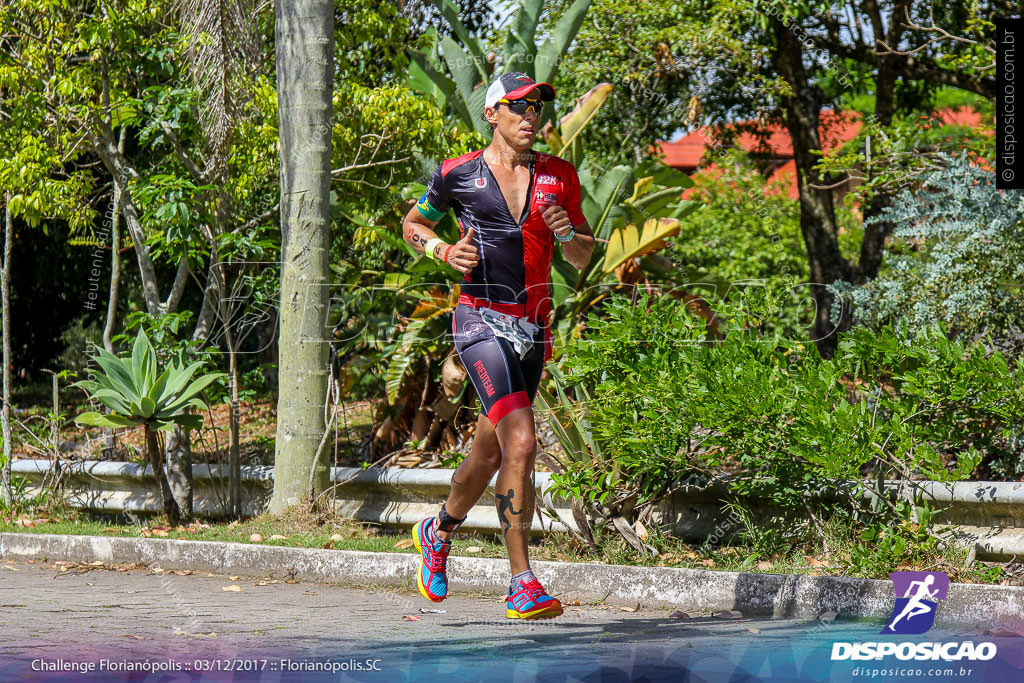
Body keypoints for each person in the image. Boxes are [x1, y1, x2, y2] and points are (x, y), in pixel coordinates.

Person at [401, 72, 595, 620]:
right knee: (524, 441)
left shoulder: (560, 176)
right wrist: (441, 251)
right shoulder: (458, 174)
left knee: (492, 450)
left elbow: (581, 259)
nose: (530, 116)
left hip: (533, 327)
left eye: (537, 108)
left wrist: (565, 234)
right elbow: (414, 223)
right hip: (479, 320)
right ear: (492, 114)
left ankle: (437, 530)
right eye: (518, 107)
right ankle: (522, 581)